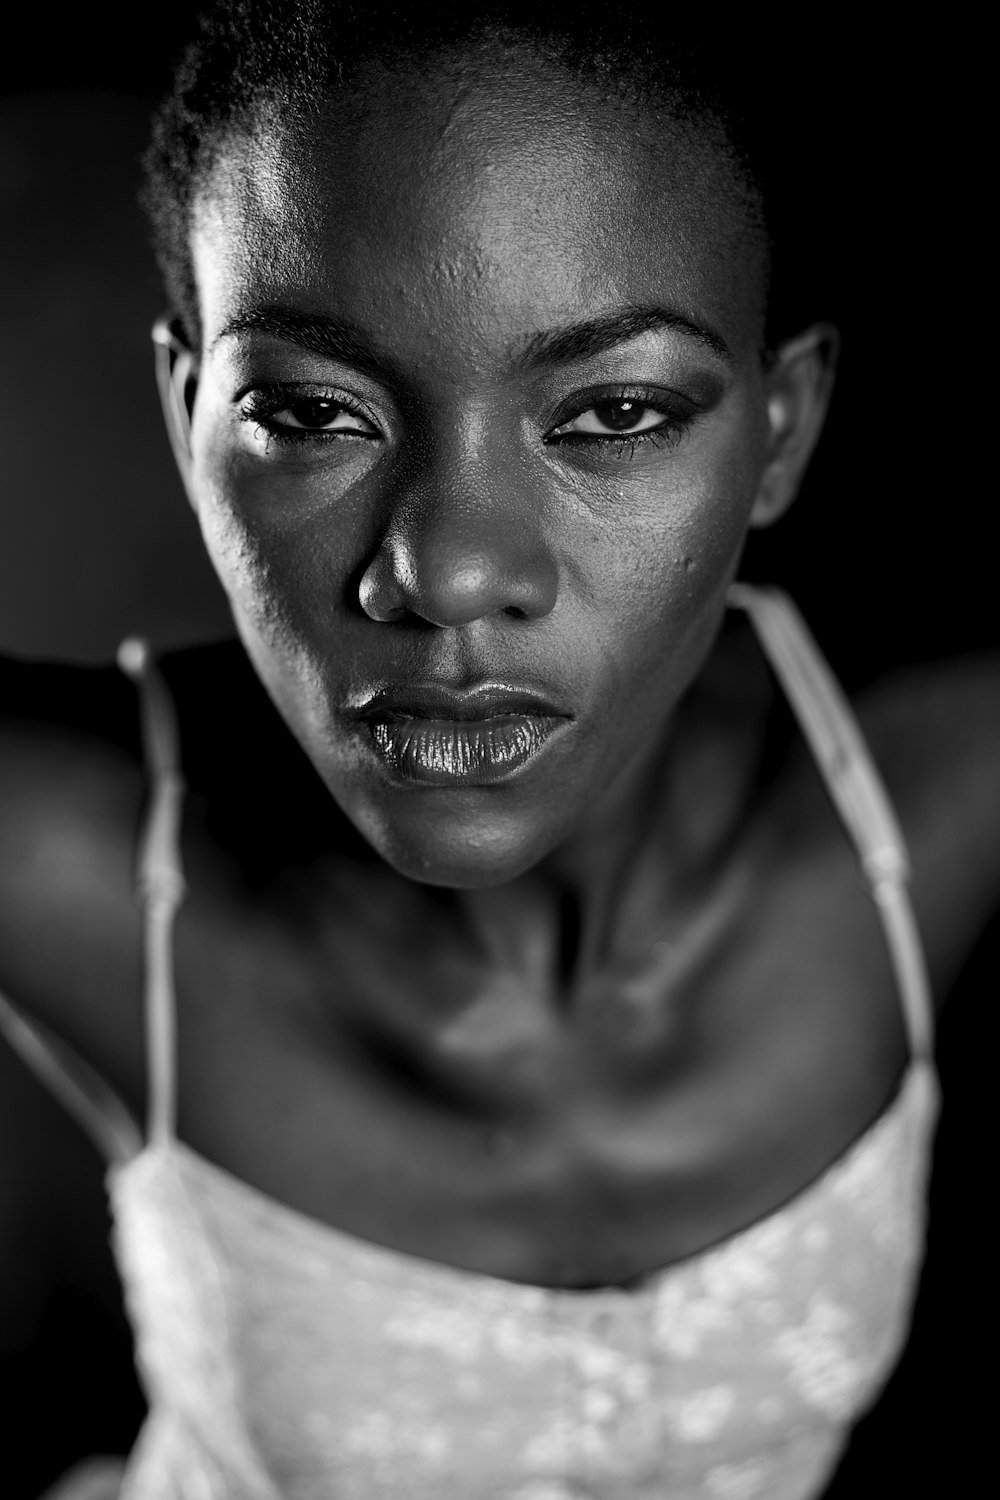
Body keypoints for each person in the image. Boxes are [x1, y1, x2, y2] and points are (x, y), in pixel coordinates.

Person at [0, 5, 996, 1497]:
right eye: (312, 411)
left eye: (612, 413)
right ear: (185, 410)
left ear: (779, 436)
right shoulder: (75, 848)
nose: (451, 575)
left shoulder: (936, 790)